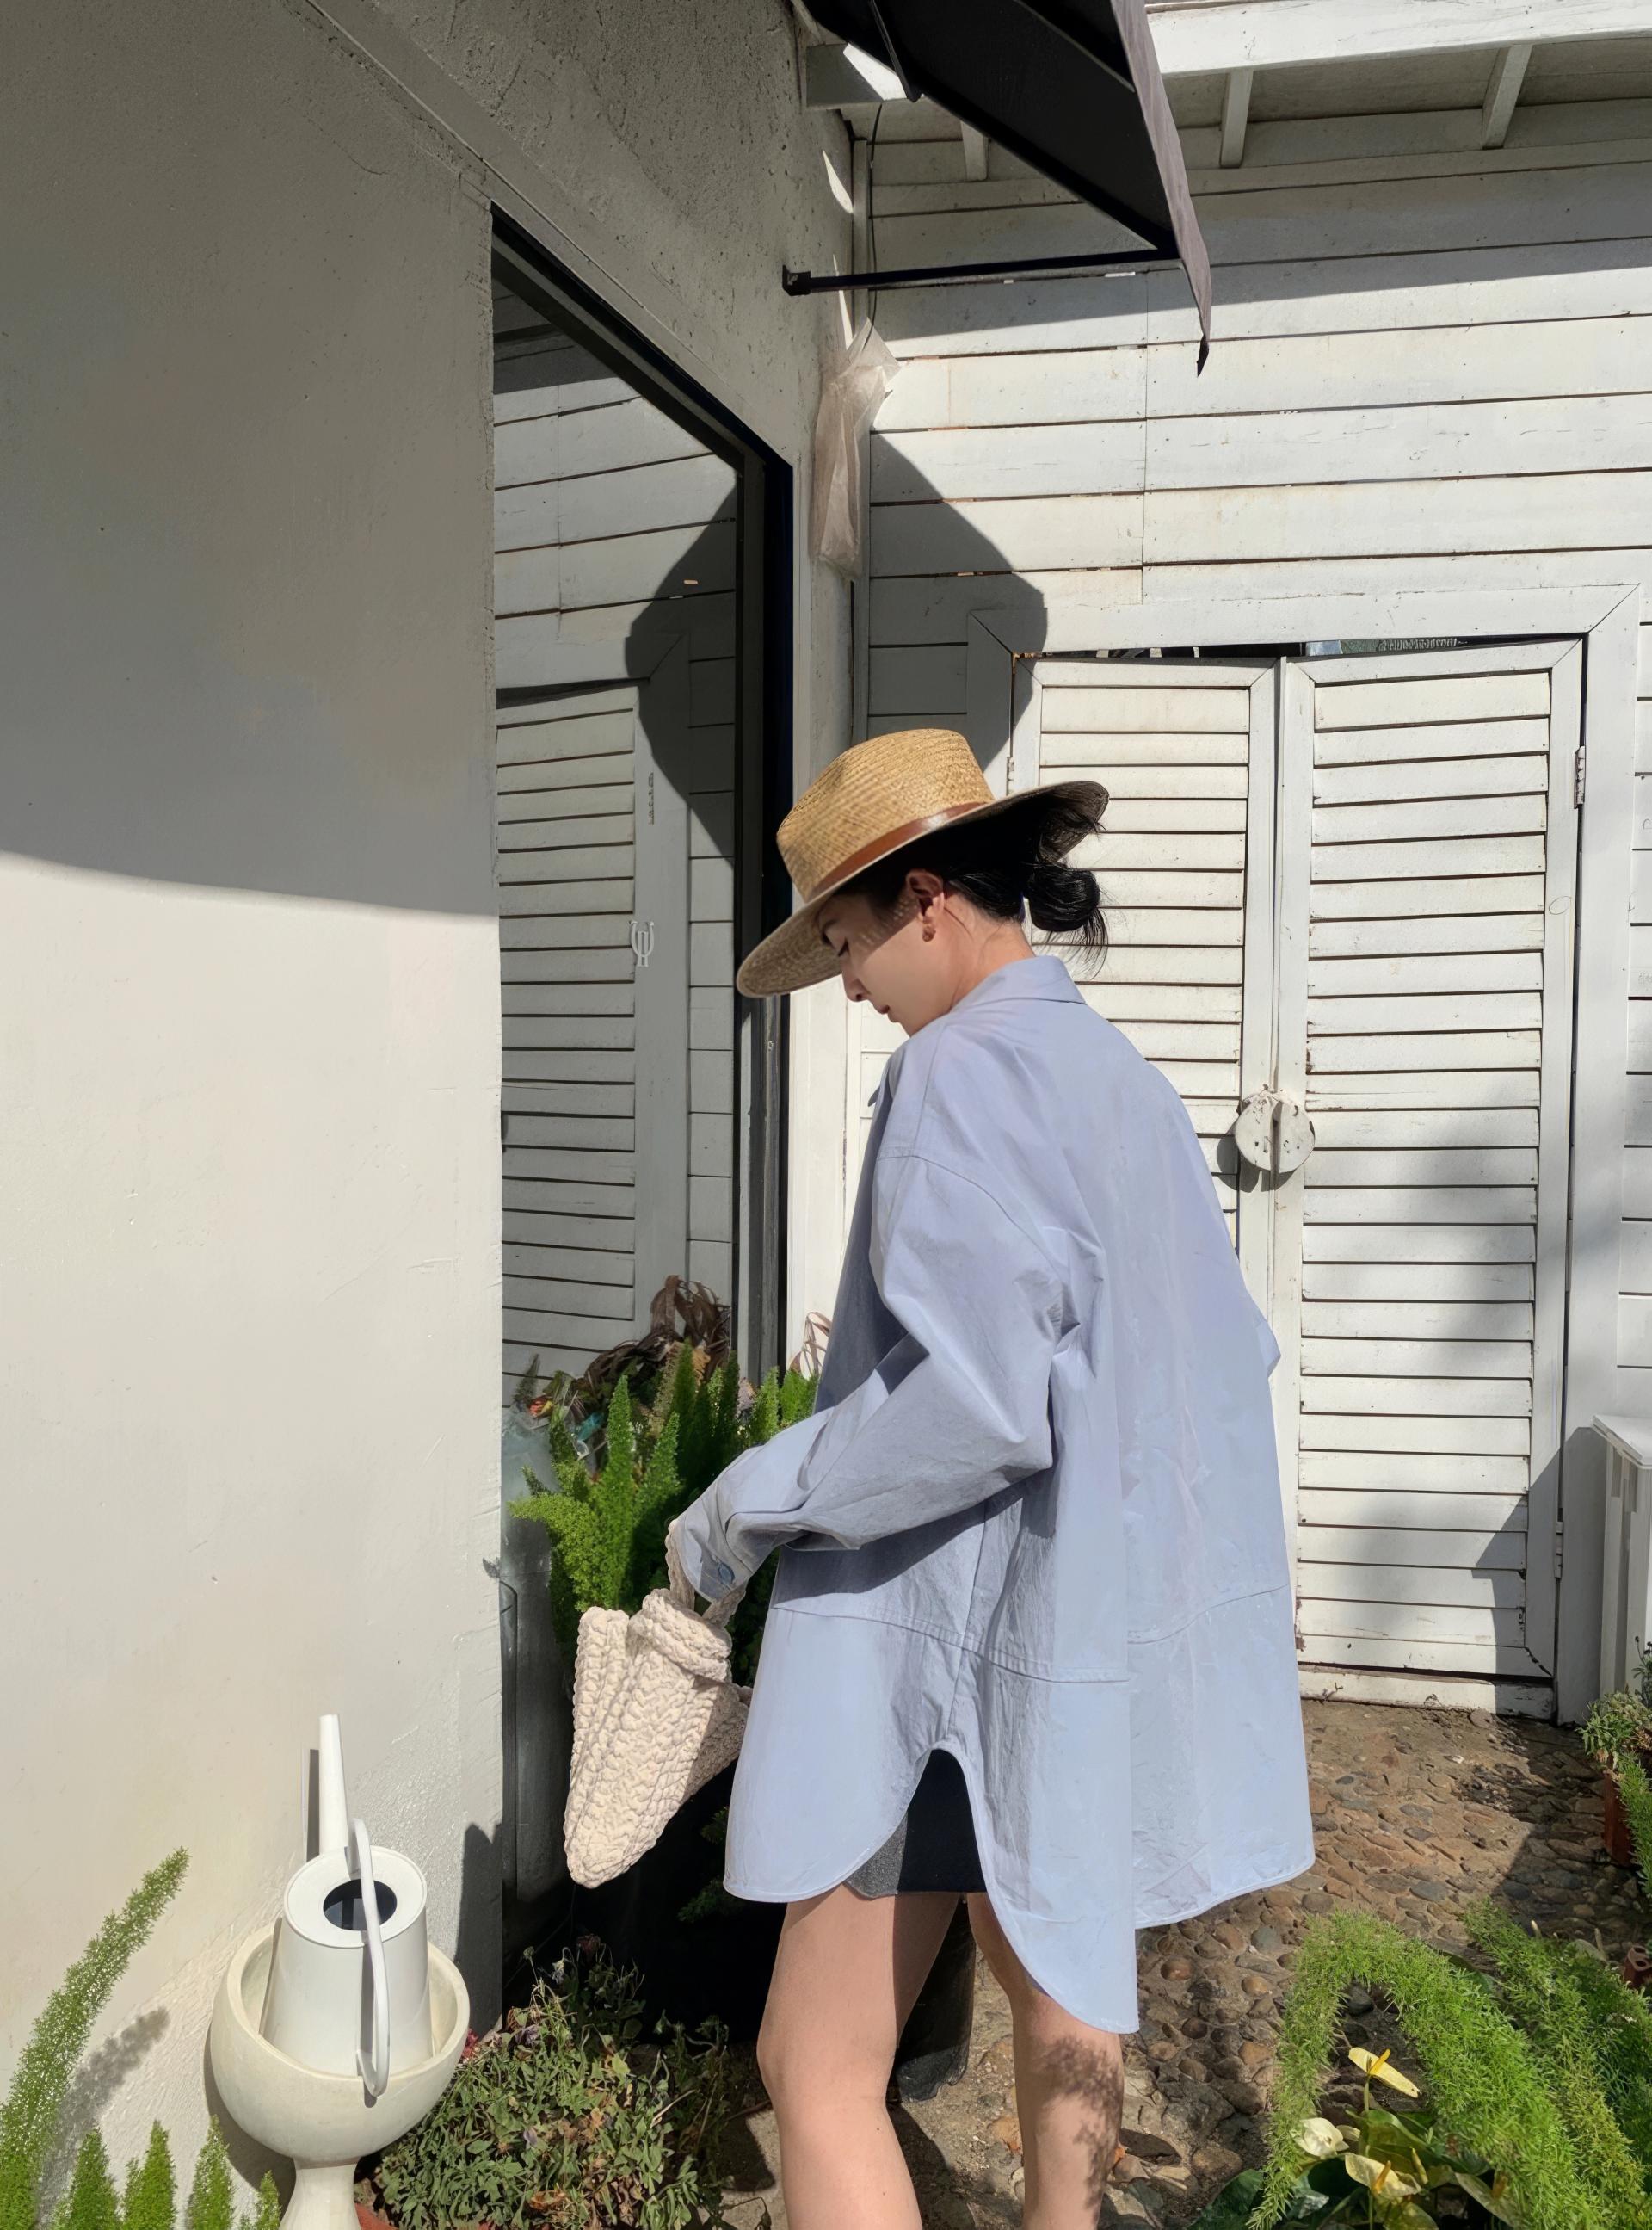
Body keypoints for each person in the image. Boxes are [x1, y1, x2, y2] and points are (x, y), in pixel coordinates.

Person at [667, 726, 1314, 2230]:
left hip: (948, 1649)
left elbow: (969, 1408)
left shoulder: (955, 1074)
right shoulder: (1122, 1084)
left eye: (845, 944)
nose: (848, 986)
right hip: (1084, 1650)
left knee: (814, 2065)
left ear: (925, 899)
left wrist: (740, 1509)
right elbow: (1221, 1360)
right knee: (1063, 1983)